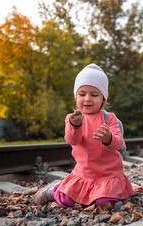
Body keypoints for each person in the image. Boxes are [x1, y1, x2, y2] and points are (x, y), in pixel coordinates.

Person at [33, 63, 134, 208]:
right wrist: (75, 126)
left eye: (94, 95)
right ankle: (55, 189)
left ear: (103, 99)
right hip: (84, 174)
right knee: (66, 202)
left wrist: (109, 138)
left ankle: (99, 192)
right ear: (76, 97)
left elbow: (119, 145)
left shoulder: (109, 118)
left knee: (104, 203)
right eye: (82, 94)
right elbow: (72, 140)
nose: (87, 99)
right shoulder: (73, 118)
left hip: (107, 175)